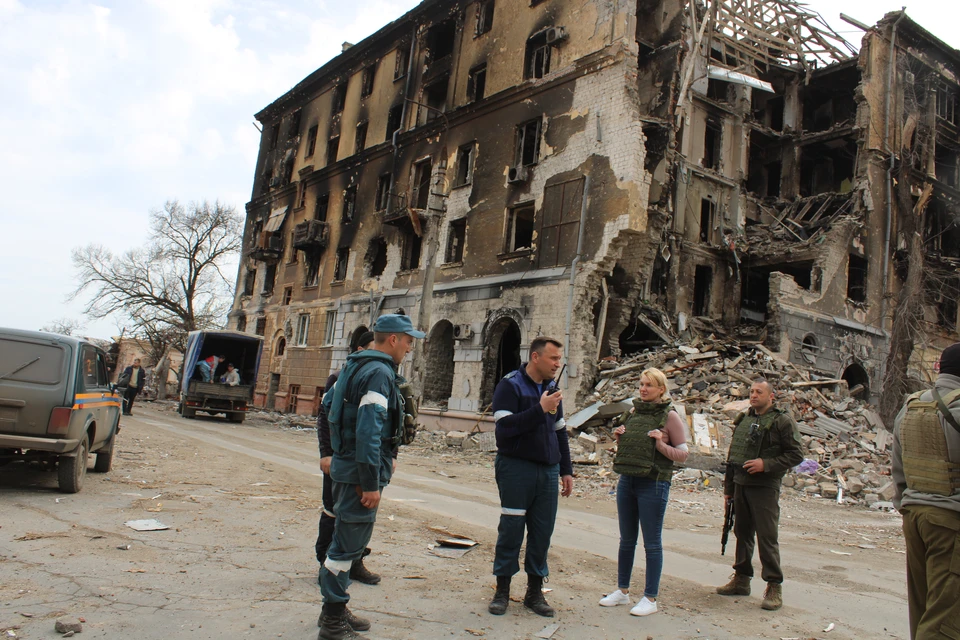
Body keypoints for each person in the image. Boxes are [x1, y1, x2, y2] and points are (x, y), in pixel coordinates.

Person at [317, 314, 424, 640]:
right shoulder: (378, 372)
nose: (409, 348)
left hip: (346, 469)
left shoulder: (355, 365)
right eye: (408, 341)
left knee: (345, 545)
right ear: (393, 339)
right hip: (359, 475)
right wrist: (370, 482)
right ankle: (332, 622)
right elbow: (368, 431)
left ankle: (335, 610)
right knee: (345, 548)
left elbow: (327, 406)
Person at [488, 336, 574, 618]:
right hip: (516, 468)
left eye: (559, 359)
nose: (557, 364)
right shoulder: (510, 385)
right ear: (535, 358)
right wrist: (539, 408)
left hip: (548, 470)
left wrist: (566, 469)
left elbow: (560, 430)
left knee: (541, 532)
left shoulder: (552, 389)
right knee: (511, 529)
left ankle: (534, 593)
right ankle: (502, 589)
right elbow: (505, 429)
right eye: (553, 358)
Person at [600, 368, 688, 616]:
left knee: (651, 543)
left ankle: (650, 598)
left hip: (654, 482)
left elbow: (682, 454)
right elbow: (633, 444)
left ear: (661, 389)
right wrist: (620, 437)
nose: (643, 388)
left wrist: (661, 444)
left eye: (649, 385)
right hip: (628, 480)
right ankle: (622, 592)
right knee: (626, 540)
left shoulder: (670, 416)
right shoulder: (633, 411)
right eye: (641, 384)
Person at [715, 378, 803, 611]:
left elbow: (795, 455)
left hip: (764, 487)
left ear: (770, 396)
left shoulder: (782, 421)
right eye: (751, 391)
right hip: (741, 484)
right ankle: (742, 579)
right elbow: (733, 455)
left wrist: (767, 464)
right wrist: (729, 489)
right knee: (742, 533)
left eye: (759, 392)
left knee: (767, 537)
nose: (753, 395)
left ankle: (774, 586)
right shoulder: (744, 418)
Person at [892, 342, 960, 639]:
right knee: (945, 615)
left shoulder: (911, 405)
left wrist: (907, 502)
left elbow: (898, 468)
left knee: (922, 606)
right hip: (950, 521)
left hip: (914, 516)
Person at [315, 331, 381, 588]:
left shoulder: (379, 377)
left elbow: (387, 425)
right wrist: (326, 453)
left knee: (362, 514)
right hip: (340, 458)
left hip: (363, 461)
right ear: (359, 349)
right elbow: (325, 418)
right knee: (333, 510)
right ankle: (326, 565)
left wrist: (392, 456)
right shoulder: (339, 378)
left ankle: (355, 562)